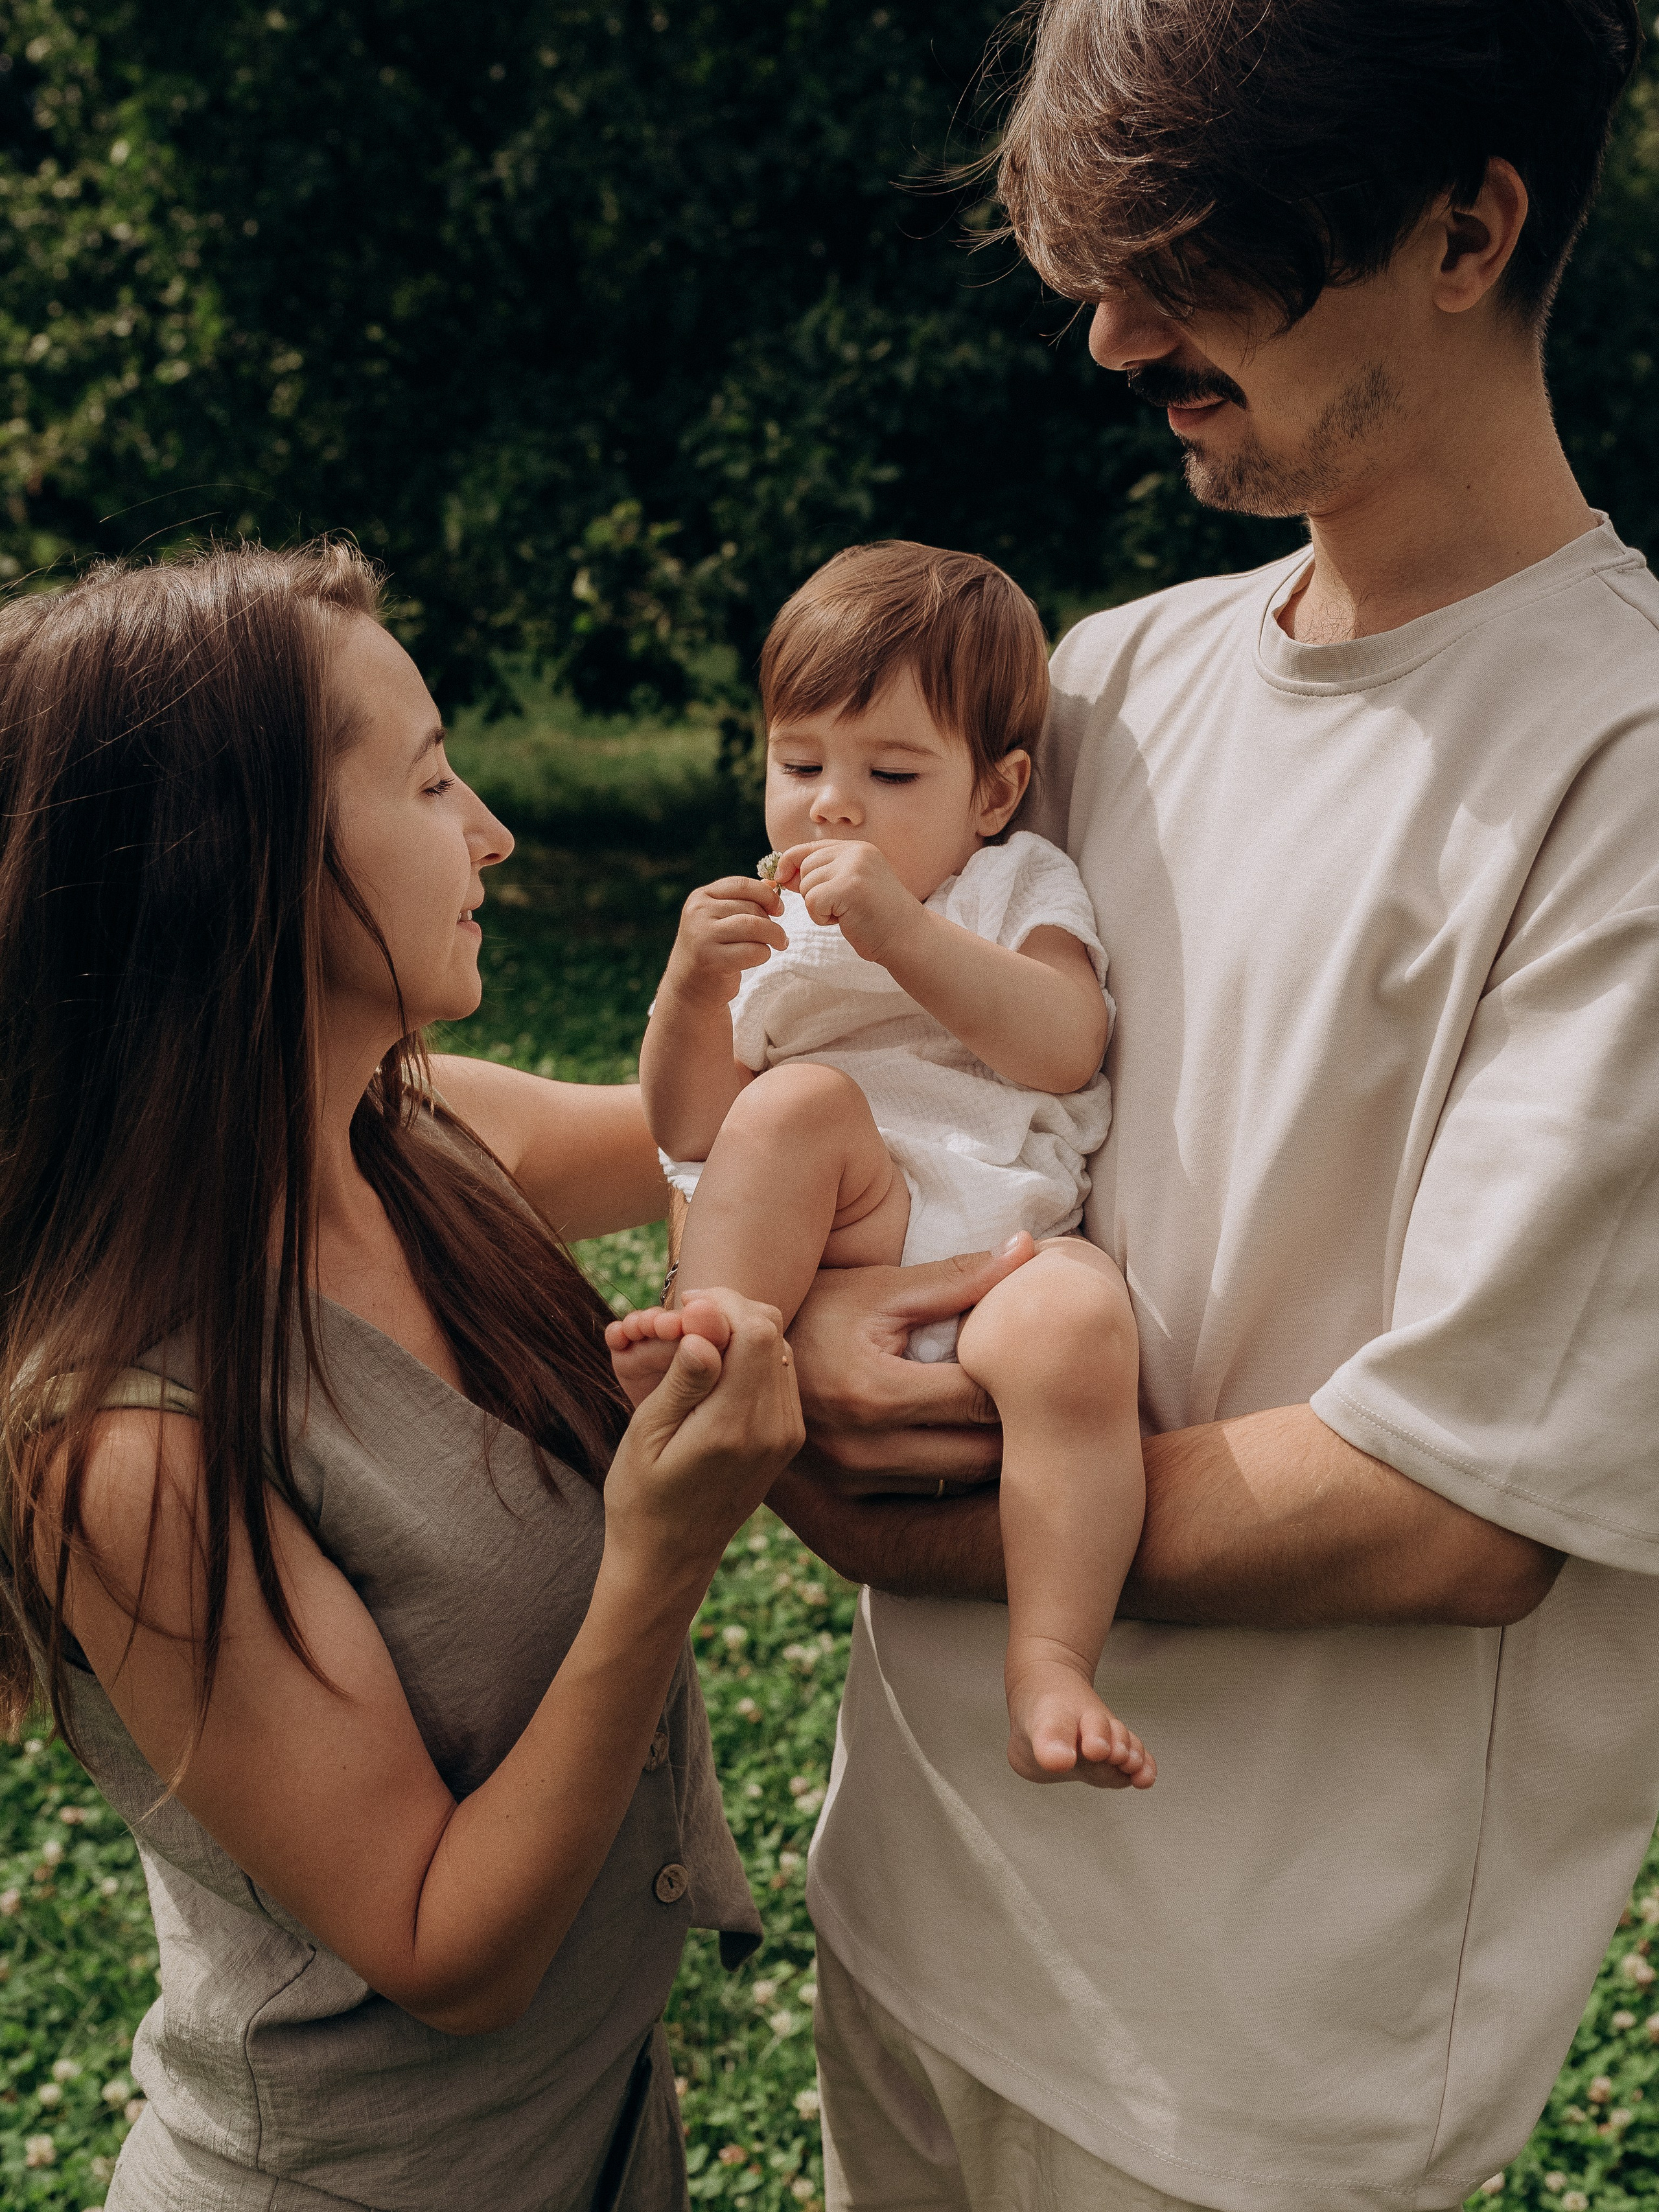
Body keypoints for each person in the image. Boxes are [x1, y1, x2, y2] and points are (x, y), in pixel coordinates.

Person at [760, 3, 1659, 2209]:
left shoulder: (1617, 771)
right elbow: (875, 1093)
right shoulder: (1109, 682)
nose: (1108, 335)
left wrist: (855, 1504)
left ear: (1470, 229)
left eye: (1182, 259)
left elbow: (1455, 1505)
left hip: (1241, 2078)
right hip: (911, 1913)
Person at [0, 542, 804, 2211]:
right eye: (434, 779)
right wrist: (658, 1558)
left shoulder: (427, 1136)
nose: (495, 831)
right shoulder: (123, 1442)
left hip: (597, 2148)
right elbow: (447, 1949)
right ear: (238, 871)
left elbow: (710, 1143)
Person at [612, 542, 1154, 1791]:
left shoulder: (1016, 885)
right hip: (845, 1223)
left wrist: (902, 931)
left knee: (1081, 1323)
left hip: (997, 1243)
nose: (832, 804)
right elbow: (694, 1128)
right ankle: (721, 1341)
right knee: (795, 1101)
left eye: (890, 772)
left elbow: (1067, 1044)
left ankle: (1054, 1656)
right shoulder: (771, 924)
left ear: (995, 790)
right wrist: (693, 987)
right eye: (798, 764)